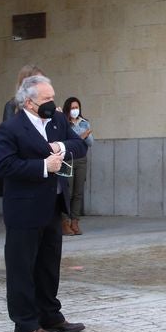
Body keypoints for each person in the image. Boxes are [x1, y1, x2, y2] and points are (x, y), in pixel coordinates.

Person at [0, 74, 89, 332]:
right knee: (22, 267)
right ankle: (25, 324)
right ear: (28, 102)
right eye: (46, 99)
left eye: (52, 97)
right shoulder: (10, 129)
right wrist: (42, 167)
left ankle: (50, 315)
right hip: (23, 209)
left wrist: (59, 146)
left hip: (52, 205)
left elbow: (80, 145)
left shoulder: (58, 121)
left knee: (49, 265)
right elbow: (4, 166)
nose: (52, 103)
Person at [62, 97, 92, 236]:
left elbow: (90, 141)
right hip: (68, 159)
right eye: (72, 108)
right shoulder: (63, 123)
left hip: (81, 159)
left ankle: (75, 221)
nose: (75, 110)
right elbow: (67, 142)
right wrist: (81, 137)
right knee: (67, 192)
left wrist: (84, 135)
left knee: (78, 192)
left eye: (77, 107)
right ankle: (65, 222)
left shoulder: (84, 122)